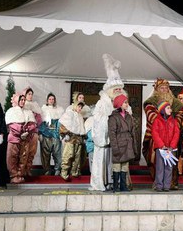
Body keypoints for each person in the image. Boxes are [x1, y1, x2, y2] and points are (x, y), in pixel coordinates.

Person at [89, 53, 132, 191]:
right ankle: (103, 183)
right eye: (116, 89)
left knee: (120, 165)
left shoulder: (125, 105)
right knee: (106, 163)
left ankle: (119, 184)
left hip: (120, 143)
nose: (118, 91)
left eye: (120, 89)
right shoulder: (102, 103)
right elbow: (97, 120)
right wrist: (110, 121)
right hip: (106, 141)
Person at [142, 78, 183, 189]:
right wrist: (163, 120)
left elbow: (180, 115)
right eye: (162, 88)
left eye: (166, 88)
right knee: (156, 161)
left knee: (172, 162)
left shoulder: (176, 102)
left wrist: (175, 122)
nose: (164, 90)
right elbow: (152, 117)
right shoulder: (151, 102)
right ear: (156, 89)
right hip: (157, 138)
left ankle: (171, 182)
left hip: (172, 138)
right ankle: (158, 183)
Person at [5, 94, 38, 183]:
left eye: (24, 100)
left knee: (23, 156)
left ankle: (20, 174)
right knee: (12, 157)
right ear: (16, 100)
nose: (23, 101)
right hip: (14, 138)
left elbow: (33, 124)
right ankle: (14, 175)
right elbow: (11, 125)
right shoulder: (11, 111)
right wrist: (22, 131)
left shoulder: (28, 112)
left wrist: (27, 131)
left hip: (26, 138)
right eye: (21, 99)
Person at [108, 94, 138, 192]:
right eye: (125, 102)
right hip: (119, 143)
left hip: (128, 143)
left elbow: (133, 131)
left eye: (127, 102)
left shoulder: (129, 116)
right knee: (117, 165)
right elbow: (112, 134)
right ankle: (116, 186)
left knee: (125, 166)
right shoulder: (113, 117)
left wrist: (134, 146)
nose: (127, 104)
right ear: (119, 104)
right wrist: (115, 147)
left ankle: (123, 185)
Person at [151, 101, 180, 192]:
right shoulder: (157, 121)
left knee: (169, 167)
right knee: (160, 167)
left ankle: (166, 186)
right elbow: (155, 134)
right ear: (163, 109)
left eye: (170, 108)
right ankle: (159, 185)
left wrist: (172, 146)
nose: (170, 110)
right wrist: (161, 145)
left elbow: (176, 133)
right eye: (168, 108)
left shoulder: (174, 121)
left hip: (171, 149)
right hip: (160, 149)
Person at [59, 101, 86, 181]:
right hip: (70, 138)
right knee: (68, 155)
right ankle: (64, 172)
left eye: (81, 107)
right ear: (75, 106)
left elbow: (81, 129)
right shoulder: (69, 113)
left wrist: (83, 136)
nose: (80, 108)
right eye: (79, 106)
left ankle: (74, 172)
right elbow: (63, 124)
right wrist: (65, 134)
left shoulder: (80, 116)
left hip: (78, 139)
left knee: (77, 157)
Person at [39, 93, 64, 175]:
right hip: (46, 134)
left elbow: (60, 124)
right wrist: (40, 133)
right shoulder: (43, 110)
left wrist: (60, 133)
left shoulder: (59, 110)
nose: (51, 101)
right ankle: (47, 169)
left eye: (53, 99)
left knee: (57, 153)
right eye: (50, 99)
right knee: (45, 154)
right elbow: (41, 123)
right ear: (47, 100)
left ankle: (57, 169)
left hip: (55, 134)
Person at [22, 87, 42, 176]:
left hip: (34, 132)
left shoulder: (35, 106)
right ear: (25, 95)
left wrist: (37, 130)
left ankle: (28, 169)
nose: (30, 96)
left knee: (32, 152)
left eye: (31, 94)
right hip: (24, 133)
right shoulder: (22, 104)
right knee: (24, 152)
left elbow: (39, 120)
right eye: (28, 94)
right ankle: (22, 170)